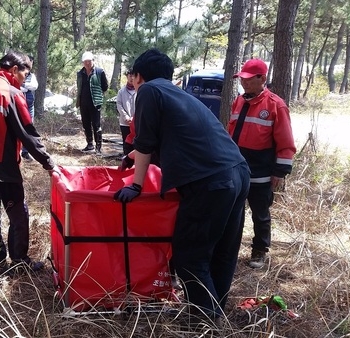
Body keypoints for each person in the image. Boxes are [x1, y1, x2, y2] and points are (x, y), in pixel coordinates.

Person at [114, 48, 250, 324]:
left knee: (189, 254)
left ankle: (203, 322)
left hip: (209, 181)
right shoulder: (177, 93)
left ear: (138, 76)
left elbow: (144, 141)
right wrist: (134, 158)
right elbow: (175, 138)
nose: (133, 81)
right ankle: (213, 313)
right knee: (221, 253)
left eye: (133, 76)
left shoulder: (149, 91)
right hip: (236, 171)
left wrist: (136, 185)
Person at [0, 51, 58, 274]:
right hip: (2, 166)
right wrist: (48, 162)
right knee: (18, 215)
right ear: (14, 70)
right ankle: (19, 260)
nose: (26, 78)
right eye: (26, 72)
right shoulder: (11, 93)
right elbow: (27, 133)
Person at [229, 59, 296, 269]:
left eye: (249, 79)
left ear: (262, 79)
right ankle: (229, 250)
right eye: (242, 79)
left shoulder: (276, 105)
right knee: (233, 213)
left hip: (262, 171)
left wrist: (280, 171)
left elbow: (286, 142)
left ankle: (259, 251)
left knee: (260, 214)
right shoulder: (239, 101)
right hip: (237, 168)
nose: (244, 83)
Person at [76, 51, 108, 154]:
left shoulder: (99, 71)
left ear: (92, 61)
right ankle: (89, 145)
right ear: (83, 62)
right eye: (85, 62)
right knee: (86, 124)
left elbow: (105, 86)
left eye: (89, 61)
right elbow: (79, 87)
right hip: (83, 103)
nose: (87, 63)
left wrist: (98, 95)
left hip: (95, 103)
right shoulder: (80, 73)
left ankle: (98, 148)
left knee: (96, 125)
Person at [20, 54, 38, 160]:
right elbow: (17, 86)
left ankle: (25, 152)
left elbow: (34, 86)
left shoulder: (32, 76)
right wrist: (25, 86)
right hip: (19, 105)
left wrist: (24, 85)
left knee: (29, 127)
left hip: (30, 106)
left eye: (31, 61)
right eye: (28, 61)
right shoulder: (18, 72)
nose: (30, 63)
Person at [116, 70, 135, 155]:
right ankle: (126, 159)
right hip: (124, 122)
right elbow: (119, 105)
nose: (131, 78)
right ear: (127, 77)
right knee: (126, 141)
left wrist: (134, 118)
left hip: (136, 122)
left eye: (133, 76)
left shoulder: (140, 90)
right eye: (130, 76)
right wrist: (125, 117)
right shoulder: (121, 91)